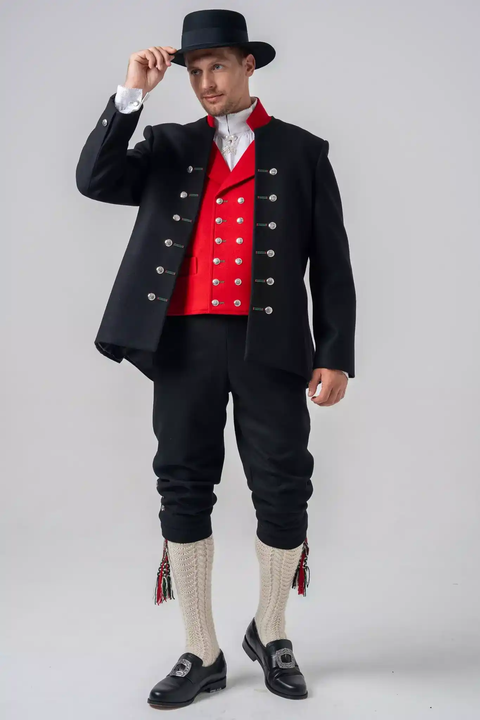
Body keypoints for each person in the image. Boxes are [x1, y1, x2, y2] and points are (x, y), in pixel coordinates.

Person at [76, 8, 356, 710]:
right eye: (194, 71)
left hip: (271, 345)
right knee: (183, 482)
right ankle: (201, 650)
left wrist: (336, 354)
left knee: (284, 484)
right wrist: (132, 92)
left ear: (247, 66)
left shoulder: (302, 151)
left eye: (218, 67)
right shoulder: (167, 143)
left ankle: (272, 630)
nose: (205, 82)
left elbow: (332, 264)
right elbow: (95, 179)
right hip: (182, 343)